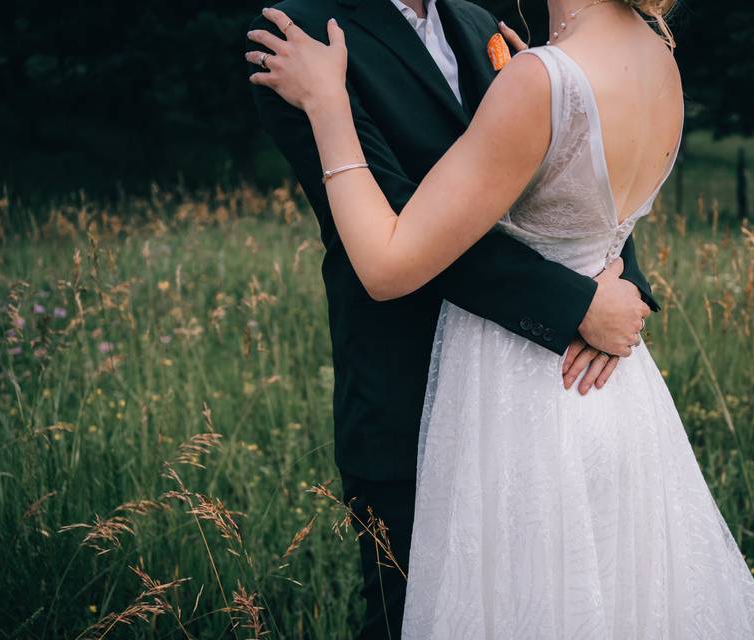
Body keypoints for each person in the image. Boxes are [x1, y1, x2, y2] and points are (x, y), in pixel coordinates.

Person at [246, 0, 661, 637]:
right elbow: (402, 224)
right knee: (410, 616)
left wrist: (623, 281)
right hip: (405, 386)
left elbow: (560, 163)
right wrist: (577, 303)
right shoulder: (302, 37)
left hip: (545, 391)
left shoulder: (475, 23)